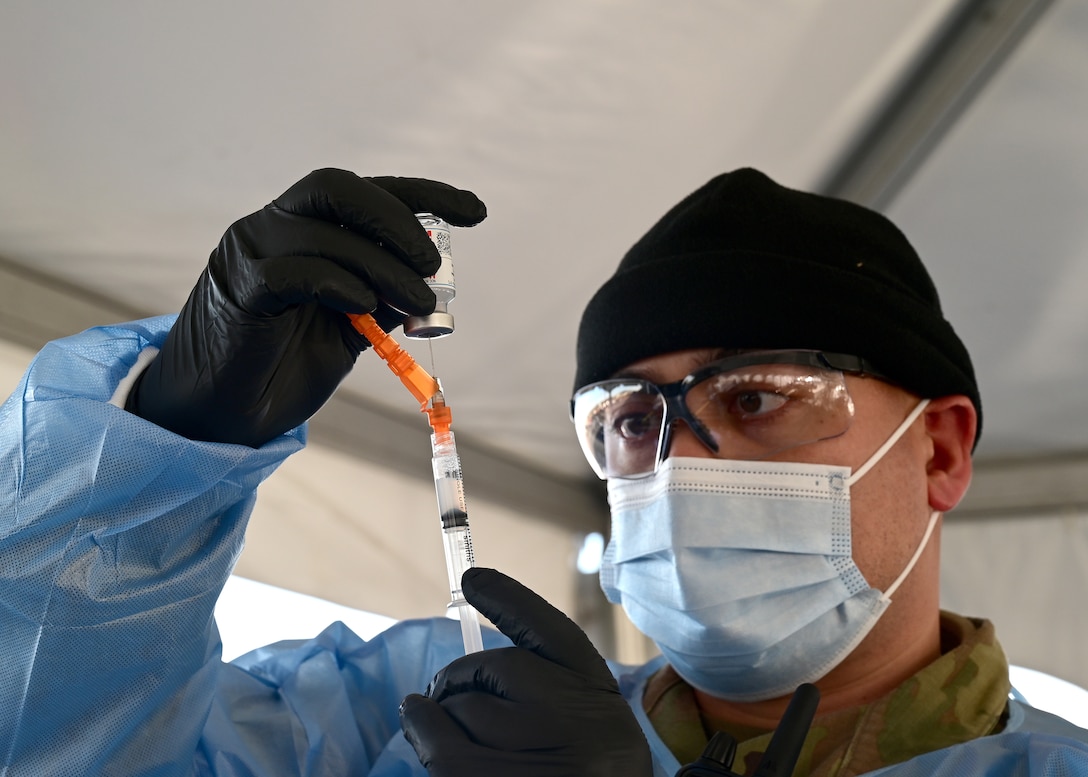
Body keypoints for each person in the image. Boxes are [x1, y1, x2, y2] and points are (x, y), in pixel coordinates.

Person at [0, 167, 1085, 777]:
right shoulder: (424, 714)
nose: (677, 463)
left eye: (754, 399)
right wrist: (162, 442)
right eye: (625, 420)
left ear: (939, 452)